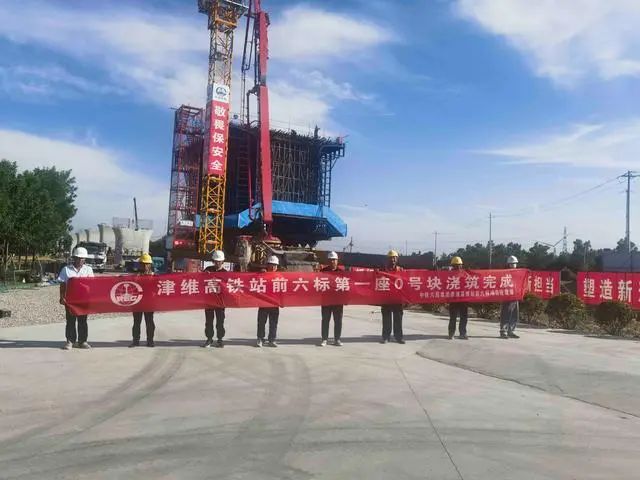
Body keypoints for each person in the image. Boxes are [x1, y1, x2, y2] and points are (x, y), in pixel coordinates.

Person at [58, 247, 94, 350]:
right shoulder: (66, 269)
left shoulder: (88, 270)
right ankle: (70, 341)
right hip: (70, 300)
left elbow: (92, 284)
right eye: (78, 258)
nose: (80, 260)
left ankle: (83, 341)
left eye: (82, 258)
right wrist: (62, 297)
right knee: (70, 321)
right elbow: (62, 284)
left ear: (85, 259)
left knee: (82, 321)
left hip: (83, 300)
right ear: (74, 258)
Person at [130, 253, 156, 348]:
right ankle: (135, 341)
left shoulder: (154, 276)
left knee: (149, 322)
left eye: (147, 264)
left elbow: (157, 288)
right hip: (138, 302)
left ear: (150, 265)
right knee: (137, 322)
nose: (145, 266)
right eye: (143, 264)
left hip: (149, 302)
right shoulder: (136, 276)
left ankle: (150, 341)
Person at [203, 250, 227, 348]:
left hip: (220, 301)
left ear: (222, 261)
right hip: (209, 300)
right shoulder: (208, 270)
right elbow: (200, 281)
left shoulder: (225, 273)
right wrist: (204, 274)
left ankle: (220, 339)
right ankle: (209, 339)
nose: (217, 263)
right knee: (209, 321)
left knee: (220, 321)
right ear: (213, 261)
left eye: (219, 261)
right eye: (216, 261)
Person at [380, 250, 405, 344]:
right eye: (391, 258)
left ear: (397, 259)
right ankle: (386, 337)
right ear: (388, 259)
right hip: (386, 298)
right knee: (386, 318)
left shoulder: (401, 270)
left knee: (398, 318)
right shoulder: (383, 270)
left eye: (394, 258)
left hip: (397, 298)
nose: (393, 259)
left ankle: (398, 337)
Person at [320, 251, 344, 347]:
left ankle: (337, 339)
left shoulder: (341, 272)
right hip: (326, 300)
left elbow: (346, 286)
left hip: (338, 301)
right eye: (330, 260)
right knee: (325, 320)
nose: (332, 261)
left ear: (337, 261)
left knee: (338, 321)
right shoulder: (323, 271)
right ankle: (324, 339)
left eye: (334, 260)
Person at [256, 255, 280, 348]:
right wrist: (260, 273)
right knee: (261, 322)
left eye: (275, 265)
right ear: (268, 265)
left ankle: (272, 340)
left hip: (274, 304)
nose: (273, 267)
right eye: (271, 265)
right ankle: (260, 338)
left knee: (273, 323)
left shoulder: (279, 277)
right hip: (263, 303)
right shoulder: (262, 275)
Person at [448, 256, 469, 340]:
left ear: (461, 265)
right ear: (453, 266)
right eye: (456, 266)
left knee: (463, 317)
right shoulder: (448, 275)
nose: (458, 267)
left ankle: (462, 333)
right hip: (453, 299)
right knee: (453, 317)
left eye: (459, 265)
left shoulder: (465, 274)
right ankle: (451, 333)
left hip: (463, 298)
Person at [500, 255, 521, 339]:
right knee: (506, 314)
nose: (513, 265)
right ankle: (503, 331)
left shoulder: (518, 273)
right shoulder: (504, 274)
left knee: (514, 314)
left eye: (514, 263)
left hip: (515, 297)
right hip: (507, 296)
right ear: (508, 264)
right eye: (511, 264)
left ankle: (511, 331)